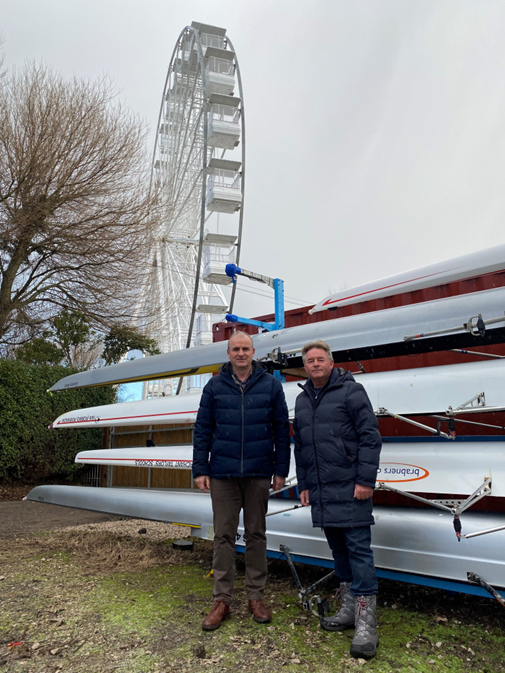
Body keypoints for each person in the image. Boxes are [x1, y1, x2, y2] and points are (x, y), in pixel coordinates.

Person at [193, 331, 291, 631]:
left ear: (253, 352)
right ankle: (221, 599)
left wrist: (280, 470)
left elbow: (281, 431)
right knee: (223, 536)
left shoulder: (271, 386)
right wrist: (200, 469)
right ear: (228, 353)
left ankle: (255, 596)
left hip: (259, 472)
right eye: (235, 349)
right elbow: (203, 429)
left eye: (245, 349)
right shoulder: (214, 387)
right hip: (222, 473)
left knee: (256, 535)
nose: (240, 353)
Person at [293, 340, 382, 659]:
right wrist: (303, 484)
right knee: (339, 551)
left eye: (320, 359)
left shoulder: (351, 391)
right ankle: (348, 610)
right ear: (305, 367)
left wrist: (365, 480)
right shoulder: (302, 400)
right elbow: (300, 448)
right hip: (321, 490)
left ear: (331, 363)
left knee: (359, 550)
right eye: (310, 360)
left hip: (351, 487)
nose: (315, 364)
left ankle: (366, 624)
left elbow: (370, 436)